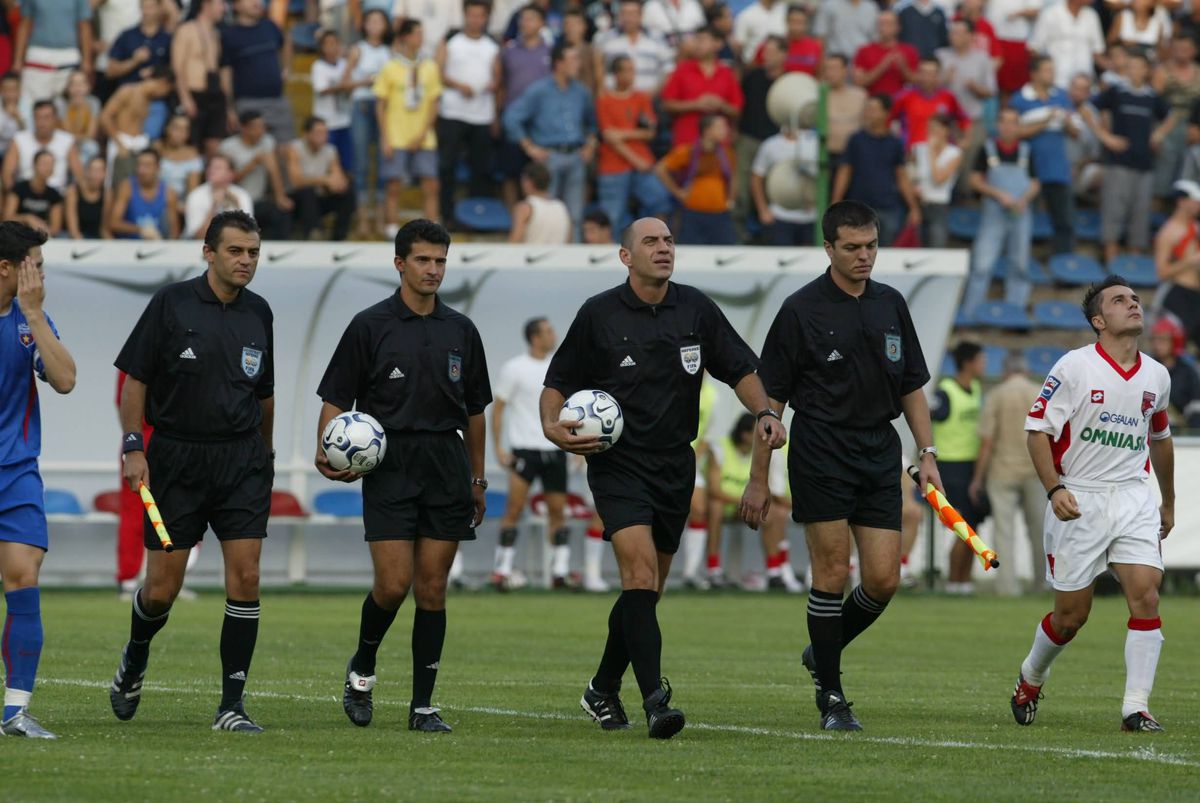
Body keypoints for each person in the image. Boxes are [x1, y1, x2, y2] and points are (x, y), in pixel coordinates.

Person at [541, 216, 784, 739]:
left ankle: (602, 688)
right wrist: (550, 425)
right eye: (650, 241)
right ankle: (655, 701)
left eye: (669, 240)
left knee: (646, 592)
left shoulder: (695, 308)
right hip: (618, 464)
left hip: (676, 464)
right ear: (626, 256)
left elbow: (742, 369)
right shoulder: (598, 314)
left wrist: (764, 410)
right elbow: (557, 382)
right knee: (638, 575)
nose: (664, 248)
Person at [746, 200, 942, 731]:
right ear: (828, 247)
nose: (864, 256)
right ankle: (832, 697)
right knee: (831, 572)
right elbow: (771, 404)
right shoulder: (800, 308)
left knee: (883, 580)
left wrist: (927, 455)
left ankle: (822, 649)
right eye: (852, 247)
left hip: (880, 449)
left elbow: (911, 388)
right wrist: (758, 478)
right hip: (820, 447)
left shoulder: (892, 303)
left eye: (872, 246)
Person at [316, 219, 491, 734]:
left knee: (432, 588)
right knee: (393, 585)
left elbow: (476, 411)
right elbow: (334, 399)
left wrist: (477, 480)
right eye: (422, 260)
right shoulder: (369, 325)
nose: (433, 269)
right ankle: (363, 670)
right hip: (389, 464)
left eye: (440, 261)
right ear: (399, 264)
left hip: (446, 463)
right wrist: (328, 450)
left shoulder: (461, 329)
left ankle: (422, 707)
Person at [108, 211, 273, 733]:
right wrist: (134, 447)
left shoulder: (261, 313)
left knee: (246, 577)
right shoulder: (170, 304)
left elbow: (263, 394)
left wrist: (264, 457)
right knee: (161, 590)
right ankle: (136, 655)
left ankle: (232, 705)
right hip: (176, 458)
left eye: (252, 252)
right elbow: (135, 381)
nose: (245, 261)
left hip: (241, 460)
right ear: (209, 252)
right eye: (235, 251)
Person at [1011, 275, 1174, 734]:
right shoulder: (1074, 367)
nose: (1133, 304)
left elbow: (1160, 440)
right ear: (1099, 321)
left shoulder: (1157, 376)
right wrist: (1054, 489)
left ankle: (1135, 708)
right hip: (1079, 498)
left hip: (1133, 495)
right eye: (1120, 300)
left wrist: (1168, 502)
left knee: (1145, 595)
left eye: (1136, 298)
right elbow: (1037, 432)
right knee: (1071, 617)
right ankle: (1032, 675)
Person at [0, 221, 76, 739]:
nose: (41, 274)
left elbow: (66, 380)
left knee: (24, 581)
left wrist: (33, 313)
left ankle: (15, 711)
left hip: (17, 473)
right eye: (36, 264)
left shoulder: (32, 320)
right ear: (8, 267)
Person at [491, 317, 585, 590]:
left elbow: (575, 409)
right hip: (525, 451)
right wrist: (498, 447)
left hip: (554, 450)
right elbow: (497, 409)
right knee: (515, 508)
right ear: (535, 337)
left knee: (558, 511)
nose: (553, 334)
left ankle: (560, 572)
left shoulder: (560, 367)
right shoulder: (514, 368)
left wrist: (577, 448)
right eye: (548, 331)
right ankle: (502, 569)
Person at [1082, 52, 1176, 264]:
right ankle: (1112, 270)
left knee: (1140, 217)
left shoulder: (1152, 96)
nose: (1133, 70)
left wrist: (1159, 134)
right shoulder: (1116, 92)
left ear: (1146, 70)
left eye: (1138, 66)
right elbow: (1087, 109)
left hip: (1145, 165)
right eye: (1130, 66)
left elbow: (1171, 117)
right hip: (1119, 163)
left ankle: (1134, 269)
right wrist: (1105, 137)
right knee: (1113, 214)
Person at [969, 351, 1046, 596]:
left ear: (1005, 370)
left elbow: (987, 441)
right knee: (1040, 531)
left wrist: (977, 478)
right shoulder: (1039, 392)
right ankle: (1042, 583)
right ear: (1025, 370)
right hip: (1036, 470)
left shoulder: (996, 395)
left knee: (1004, 532)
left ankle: (1007, 587)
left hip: (1002, 472)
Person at [504, 41, 597, 237]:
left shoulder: (581, 92)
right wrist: (529, 146)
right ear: (559, 63)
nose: (577, 64)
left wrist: (590, 144)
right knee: (545, 214)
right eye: (573, 59)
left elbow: (592, 123)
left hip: (575, 155)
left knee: (575, 215)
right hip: (549, 157)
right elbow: (511, 118)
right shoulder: (539, 90)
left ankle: (573, 260)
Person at [705, 413, 802, 592]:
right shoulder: (719, 449)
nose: (762, 439)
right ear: (744, 435)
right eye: (756, 434)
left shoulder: (761, 454)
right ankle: (713, 570)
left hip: (745, 506)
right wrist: (745, 500)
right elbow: (714, 489)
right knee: (715, 508)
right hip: (726, 504)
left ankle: (774, 572)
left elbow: (771, 489)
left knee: (772, 513)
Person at [964, 107, 1041, 315]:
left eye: (1013, 122)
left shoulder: (1027, 150)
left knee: (1020, 264)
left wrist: (1024, 199)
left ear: (1018, 126)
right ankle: (972, 312)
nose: (1008, 126)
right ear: (998, 125)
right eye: (1004, 121)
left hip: (1021, 214)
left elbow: (1035, 183)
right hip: (994, 214)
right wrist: (998, 194)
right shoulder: (987, 149)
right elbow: (974, 180)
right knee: (981, 264)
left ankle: (1014, 313)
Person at [435, 0, 499, 227]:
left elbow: (498, 78)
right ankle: (447, 215)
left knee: (480, 168)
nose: (475, 20)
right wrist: (458, 85)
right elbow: (438, 71)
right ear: (464, 15)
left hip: (481, 114)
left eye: (480, 15)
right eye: (471, 15)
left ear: (486, 17)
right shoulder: (452, 40)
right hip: (452, 112)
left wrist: (493, 89)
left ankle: (478, 217)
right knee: (447, 166)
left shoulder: (492, 44)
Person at [375, 18, 442, 231]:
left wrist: (423, 133)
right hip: (396, 134)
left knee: (430, 184)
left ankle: (432, 228)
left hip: (424, 135)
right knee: (393, 185)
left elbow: (434, 103)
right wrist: (385, 137)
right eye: (417, 34)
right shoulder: (390, 67)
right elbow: (380, 105)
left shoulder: (430, 66)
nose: (420, 38)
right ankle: (392, 227)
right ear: (405, 37)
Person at [930, 341, 986, 595]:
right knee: (961, 525)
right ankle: (954, 581)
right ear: (967, 363)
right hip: (949, 466)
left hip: (970, 465)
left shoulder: (975, 388)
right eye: (980, 359)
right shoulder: (945, 391)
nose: (984, 364)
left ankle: (964, 580)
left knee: (972, 525)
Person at [595, 55, 671, 236]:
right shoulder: (604, 100)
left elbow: (650, 132)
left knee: (660, 200)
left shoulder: (641, 98)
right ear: (616, 74)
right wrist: (635, 157)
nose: (632, 75)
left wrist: (622, 133)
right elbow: (609, 137)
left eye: (633, 70)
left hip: (642, 163)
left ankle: (657, 244)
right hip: (613, 166)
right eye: (627, 70)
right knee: (613, 216)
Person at [832, 95, 921, 246]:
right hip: (859, 209)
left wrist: (913, 207)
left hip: (888, 208)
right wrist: (836, 202)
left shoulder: (895, 143)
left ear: (886, 113)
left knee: (885, 255)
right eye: (867, 109)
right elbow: (845, 171)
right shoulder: (856, 140)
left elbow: (901, 177)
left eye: (874, 110)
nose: (869, 113)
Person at [1011, 55, 1077, 256]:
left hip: (1058, 169)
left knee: (1064, 220)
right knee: (1023, 219)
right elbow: (1014, 132)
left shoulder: (1062, 97)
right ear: (1034, 73)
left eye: (1053, 69)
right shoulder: (1020, 99)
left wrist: (1066, 122)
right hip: (1030, 170)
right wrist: (1045, 121)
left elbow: (1076, 133)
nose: (1052, 74)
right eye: (1047, 69)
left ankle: (1064, 265)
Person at [220, 0, 294, 145]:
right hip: (248, 104)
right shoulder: (229, 35)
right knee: (252, 153)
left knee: (287, 150)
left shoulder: (270, 26)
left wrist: (286, 68)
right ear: (237, 5)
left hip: (277, 100)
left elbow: (285, 43)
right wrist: (229, 108)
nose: (257, 2)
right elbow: (225, 73)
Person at [345, 8, 392, 237]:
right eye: (370, 21)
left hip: (383, 107)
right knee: (362, 164)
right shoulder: (357, 50)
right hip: (362, 106)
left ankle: (381, 218)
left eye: (379, 21)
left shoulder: (389, 51)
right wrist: (366, 81)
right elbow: (344, 82)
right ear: (364, 25)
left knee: (384, 164)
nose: (374, 26)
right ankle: (363, 218)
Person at [657, 114, 736, 246]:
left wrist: (731, 199)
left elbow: (733, 178)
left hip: (720, 213)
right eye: (720, 127)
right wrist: (678, 192)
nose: (725, 130)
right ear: (707, 130)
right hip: (693, 213)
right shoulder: (688, 152)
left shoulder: (727, 153)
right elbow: (661, 169)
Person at [734, 35, 784, 240]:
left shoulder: (789, 82)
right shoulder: (752, 76)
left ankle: (771, 235)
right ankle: (739, 234)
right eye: (765, 51)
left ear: (784, 54)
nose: (767, 56)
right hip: (749, 138)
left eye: (772, 52)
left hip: (777, 142)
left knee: (775, 190)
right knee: (742, 191)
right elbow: (740, 106)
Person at [660, 26, 742, 148]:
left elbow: (737, 110)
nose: (697, 45)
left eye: (702, 40)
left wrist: (721, 105)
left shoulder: (726, 73)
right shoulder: (682, 70)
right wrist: (696, 104)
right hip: (686, 143)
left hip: (719, 146)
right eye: (696, 40)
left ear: (717, 44)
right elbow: (667, 104)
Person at [219, 110, 293, 241]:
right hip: (235, 200)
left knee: (281, 212)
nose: (261, 131)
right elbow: (225, 179)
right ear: (243, 128)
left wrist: (280, 196)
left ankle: (278, 248)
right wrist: (253, 163)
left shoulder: (267, 142)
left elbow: (273, 170)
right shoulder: (227, 147)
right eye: (256, 127)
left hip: (259, 200)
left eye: (263, 127)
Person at [99, 66, 174, 189]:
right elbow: (105, 116)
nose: (164, 94)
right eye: (167, 90)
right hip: (122, 140)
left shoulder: (149, 100)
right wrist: (119, 143)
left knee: (138, 187)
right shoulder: (128, 91)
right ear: (163, 83)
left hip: (139, 143)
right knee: (117, 185)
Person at [284, 116, 355, 241]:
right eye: (318, 132)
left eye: (325, 132)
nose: (323, 136)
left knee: (348, 193)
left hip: (320, 196)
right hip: (297, 200)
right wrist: (324, 180)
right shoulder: (294, 148)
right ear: (306, 134)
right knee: (307, 192)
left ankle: (339, 237)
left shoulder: (330, 150)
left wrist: (339, 184)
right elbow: (296, 181)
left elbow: (338, 177)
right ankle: (313, 233)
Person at [750, 121, 820, 246]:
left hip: (811, 217)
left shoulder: (815, 142)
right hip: (780, 217)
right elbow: (756, 177)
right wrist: (763, 210)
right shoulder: (770, 145)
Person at [12, 0, 94, 106]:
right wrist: (18, 60)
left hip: (68, 56)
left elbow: (85, 26)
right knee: (32, 104)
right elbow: (25, 24)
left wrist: (87, 60)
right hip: (38, 57)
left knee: (69, 105)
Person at [172, 0, 228, 157]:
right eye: (219, 4)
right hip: (194, 93)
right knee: (192, 145)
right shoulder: (186, 30)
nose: (223, 8)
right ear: (206, 5)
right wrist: (185, 98)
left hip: (214, 94)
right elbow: (178, 68)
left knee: (214, 145)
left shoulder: (216, 33)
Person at [1152, 179, 1200, 352]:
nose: (1198, 205)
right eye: (1195, 201)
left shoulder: (1196, 227)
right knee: (1174, 349)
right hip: (1178, 295)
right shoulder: (1168, 232)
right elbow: (1162, 271)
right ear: (1182, 202)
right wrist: (1190, 261)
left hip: (1196, 294)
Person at [888, 57, 971, 151]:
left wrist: (965, 140)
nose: (927, 78)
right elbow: (887, 118)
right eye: (923, 73)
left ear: (938, 75)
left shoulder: (948, 97)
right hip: (912, 153)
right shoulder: (904, 96)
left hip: (941, 153)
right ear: (918, 74)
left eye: (932, 74)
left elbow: (964, 120)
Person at [595, 0, 675, 94]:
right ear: (619, 15)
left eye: (633, 13)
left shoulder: (658, 38)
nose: (628, 18)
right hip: (614, 99)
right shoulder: (604, 39)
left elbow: (668, 71)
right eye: (624, 13)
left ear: (641, 16)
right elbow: (598, 69)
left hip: (651, 99)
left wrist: (650, 95)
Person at [2, 101, 80, 194]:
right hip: (25, 195)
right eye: (38, 117)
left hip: (57, 197)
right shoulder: (19, 139)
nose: (42, 122)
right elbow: (7, 174)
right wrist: (14, 196)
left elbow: (79, 175)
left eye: (47, 117)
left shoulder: (67, 141)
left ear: (55, 119)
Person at [1028, 0, 1105, 89]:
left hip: (1084, 83)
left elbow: (1097, 51)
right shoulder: (1051, 13)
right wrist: (1045, 76)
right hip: (1056, 81)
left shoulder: (1092, 16)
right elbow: (1035, 48)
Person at [910, 114, 961, 248]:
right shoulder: (918, 149)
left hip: (939, 206)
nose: (933, 132)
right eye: (930, 128)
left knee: (936, 248)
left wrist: (931, 151)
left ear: (946, 130)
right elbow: (909, 175)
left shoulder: (954, 153)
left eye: (937, 128)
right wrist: (913, 190)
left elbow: (938, 178)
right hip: (919, 204)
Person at [311, 30, 353, 181]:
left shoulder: (344, 65)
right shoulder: (318, 66)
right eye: (329, 44)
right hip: (326, 124)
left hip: (344, 121)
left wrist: (349, 86)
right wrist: (348, 85)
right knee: (326, 164)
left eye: (336, 44)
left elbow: (349, 89)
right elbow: (322, 89)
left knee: (346, 164)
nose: (333, 48)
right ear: (322, 47)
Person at [109, 148, 179, 240]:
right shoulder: (127, 187)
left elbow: (174, 232)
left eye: (147, 166)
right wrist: (140, 230)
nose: (141, 170)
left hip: (157, 246)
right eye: (139, 165)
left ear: (157, 168)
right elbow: (113, 223)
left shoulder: (168, 193)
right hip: (128, 246)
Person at [106, 0, 174, 89]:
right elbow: (110, 72)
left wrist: (155, 72)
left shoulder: (167, 38)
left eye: (151, 7)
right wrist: (134, 61)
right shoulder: (127, 36)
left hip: (157, 94)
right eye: (144, 7)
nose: (146, 12)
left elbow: (174, 70)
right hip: (128, 92)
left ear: (159, 9)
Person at [183, 154, 253, 239]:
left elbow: (248, 234)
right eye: (210, 167)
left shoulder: (241, 195)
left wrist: (238, 208)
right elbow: (199, 237)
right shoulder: (196, 195)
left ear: (230, 174)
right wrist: (214, 207)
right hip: (196, 246)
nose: (211, 170)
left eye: (218, 168)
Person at [1148, 316, 1200, 430]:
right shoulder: (1147, 368)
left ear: (1175, 340)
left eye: (1162, 340)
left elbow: (1196, 407)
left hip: (1181, 433)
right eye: (1154, 339)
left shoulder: (1188, 372)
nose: (1157, 344)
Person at [853, 11, 918, 98]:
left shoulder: (910, 51)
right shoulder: (864, 50)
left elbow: (918, 82)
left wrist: (904, 68)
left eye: (889, 23)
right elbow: (858, 82)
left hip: (901, 104)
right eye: (881, 23)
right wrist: (882, 66)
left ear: (898, 27)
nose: (885, 27)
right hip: (873, 103)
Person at [4, 150, 63, 237]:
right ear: (34, 165)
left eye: (51, 164)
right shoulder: (19, 189)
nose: (48, 168)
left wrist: (43, 230)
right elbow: (6, 218)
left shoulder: (54, 195)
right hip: (17, 236)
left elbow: (55, 228)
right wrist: (27, 218)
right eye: (44, 164)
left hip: (42, 237)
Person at [510, 162, 571, 244]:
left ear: (528, 182)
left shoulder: (525, 208)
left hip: (530, 255)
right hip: (558, 255)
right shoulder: (562, 207)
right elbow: (569, 239)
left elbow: (515, 243)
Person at [814, 0, 878, 67]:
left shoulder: (871, 7)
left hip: (862, 64)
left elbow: (875, 39)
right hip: (836, 61)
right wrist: (821, 64)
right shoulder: (829, 5)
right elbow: (820, 37)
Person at [65, 154, 109, 239]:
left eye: (100, 171)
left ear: (105, 174)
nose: (97, 175)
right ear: (87, 171)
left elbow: (104, 229)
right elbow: (73, 230)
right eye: (94, 170)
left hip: (97, 238)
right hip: (74, 238)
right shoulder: (73, 191)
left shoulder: (107, 194)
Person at [733, 0, 787, 65]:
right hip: (754, 67)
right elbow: (739, 47)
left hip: (782, 66)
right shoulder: (746, 15)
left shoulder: (785, 10)